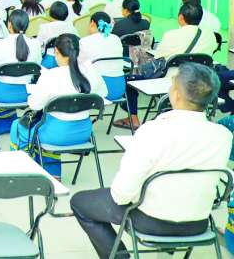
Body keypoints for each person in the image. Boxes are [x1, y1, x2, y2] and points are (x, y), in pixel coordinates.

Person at [71, 64, 230, 259]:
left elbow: (121, 195)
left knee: (80, 202)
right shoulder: (223, 136)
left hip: (151, 221)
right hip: (198, 223)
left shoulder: (152, 131)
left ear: (176, 95)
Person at [10, 34, 107, 177]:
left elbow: (35, 105)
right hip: (84, 133)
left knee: (17, 127)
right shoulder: (91, 71)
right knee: (43, 125)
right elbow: (104, 93)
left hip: (56, 134)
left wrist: (33, 94)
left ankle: (22, 173)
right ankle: (53, 175)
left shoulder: (50, 76)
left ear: (56, 51)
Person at [115, 2, 216, 131]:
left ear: (181, 17)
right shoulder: (210, 36)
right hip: (201, 81)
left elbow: (159, 57)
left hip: (172, 80)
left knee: (128, 80)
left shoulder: (171, 35)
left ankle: (133, 118)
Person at [0, 10, 42, 99]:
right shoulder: (36, 43)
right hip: (27, 93)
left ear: (9, 25)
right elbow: (37, 68)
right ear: (27, 26)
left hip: (1, 93)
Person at [79, 12, 125, 100]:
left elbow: (77, 64)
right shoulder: (116, 39)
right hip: (119, 87)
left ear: (92, 23)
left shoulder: (85, 41)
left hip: (97, 89)